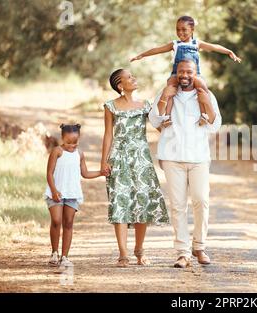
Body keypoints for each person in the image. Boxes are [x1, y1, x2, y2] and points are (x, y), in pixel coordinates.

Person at [149, 59, 222, 268]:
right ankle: (182, 252)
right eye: (181, 71)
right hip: (172, 157)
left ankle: (199, 246)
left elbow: (215, 125)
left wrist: (206, 102)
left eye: (189, 72)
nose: (185, 75)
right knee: (178, 206)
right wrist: (164, 96)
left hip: (199, 157)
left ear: (195, 73)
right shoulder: (167, 93)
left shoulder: (206, 95)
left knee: (201, 200)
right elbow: (155, 122)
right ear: (176, 73)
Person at [101, 69, 169, 267]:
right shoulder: (110, 106)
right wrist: (104, 161)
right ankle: (123, 253)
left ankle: (139, 250)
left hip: (141, 159)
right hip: (119, 158)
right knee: (119, 202)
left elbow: (160, 126)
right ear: (120, 85)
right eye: (129, 77)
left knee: (142, 202)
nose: (134, 78)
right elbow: (108, 135)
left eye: (133, 76)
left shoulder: (145, 105)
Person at [131, 15, 240, 127]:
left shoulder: (197, 43)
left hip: (194, 74)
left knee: (202, 87)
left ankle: (204, 115)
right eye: (178, 29)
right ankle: (167, 116)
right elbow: (158, 49)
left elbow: (214, 47)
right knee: (170, 88)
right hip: (176, 74)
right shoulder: (175, 44)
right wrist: (142, 55)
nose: (180, 32)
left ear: (192, 30)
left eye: (184, 30)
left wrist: (229, 51)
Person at [45, 123, 102, 268]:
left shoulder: (80, 154)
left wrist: (101, 173)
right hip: (56, 192)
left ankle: (64, 256)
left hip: (72, 193)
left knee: (69, 223)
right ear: (62, 138)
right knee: (57, 221)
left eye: (75, 142)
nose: (72, 145)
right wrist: (54, 190)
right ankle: (54, 252)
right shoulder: (57, 151)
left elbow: (85, 173)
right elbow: (49, 173)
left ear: (79, 138)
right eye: (68, 142)